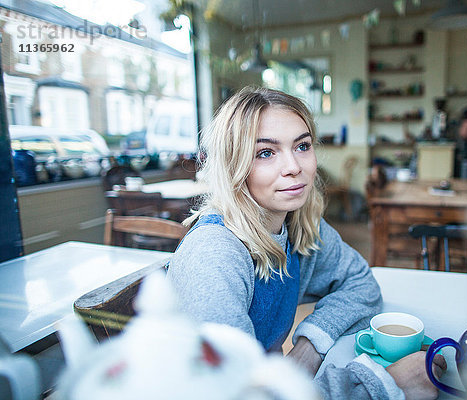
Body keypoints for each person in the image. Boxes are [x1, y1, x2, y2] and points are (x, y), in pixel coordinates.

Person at [167, 86, 445, 399]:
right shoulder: (213, 255)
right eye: (266, 152)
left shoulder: (299, 225)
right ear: (234, 165)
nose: (294, 167)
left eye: (302, 146)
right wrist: (383, 383)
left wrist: (308, 347)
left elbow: (361, 284)